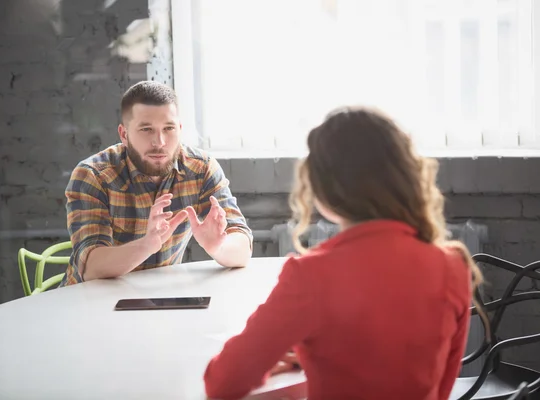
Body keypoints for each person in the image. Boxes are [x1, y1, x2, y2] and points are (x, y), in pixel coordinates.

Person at [203, 107, 488, 400]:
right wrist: (323, 349)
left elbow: (221, 383)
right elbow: (437, 388)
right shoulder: (454, 265)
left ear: (325, 187)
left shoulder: (310, 275)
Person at [60, 81, 252, 286]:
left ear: (179, 129)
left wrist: (218, 247)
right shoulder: (94, 175)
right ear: (124, 134)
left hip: (157, 298)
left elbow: (242, 247)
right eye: (146, 129)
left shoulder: (201, 168)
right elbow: (91, 267)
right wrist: (146, 245)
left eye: (168, 128)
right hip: (87, 301)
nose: (159, 142)